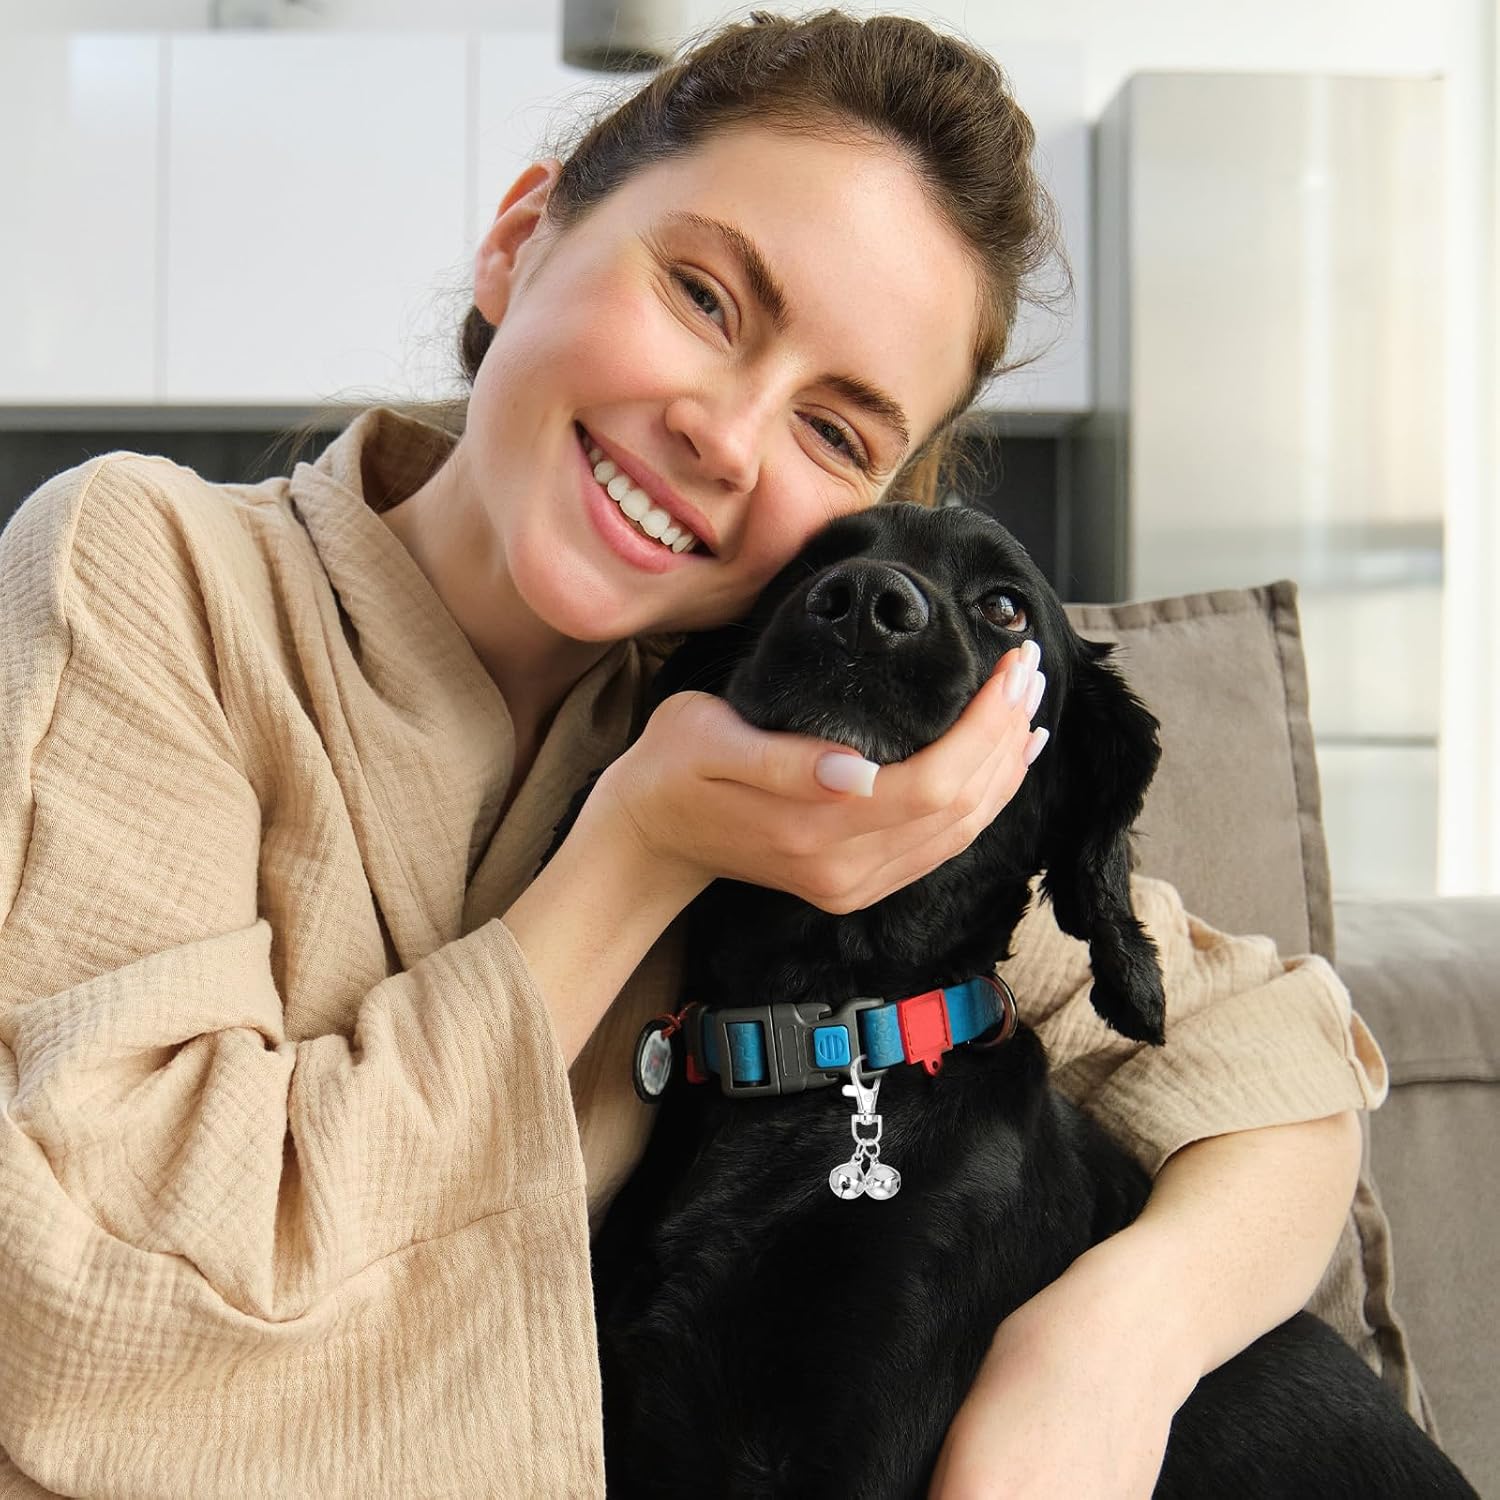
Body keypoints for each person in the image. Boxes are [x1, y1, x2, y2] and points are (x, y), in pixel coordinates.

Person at [0, 10, 1400, 1498]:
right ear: (521, 242)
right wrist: (643, 850)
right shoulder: (154, 574)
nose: (728, 438)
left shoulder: (791, 754)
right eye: (704, 296)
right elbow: (85, 1315)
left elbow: (1275, 1053)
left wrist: (1105, 1352)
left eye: (835, 432)